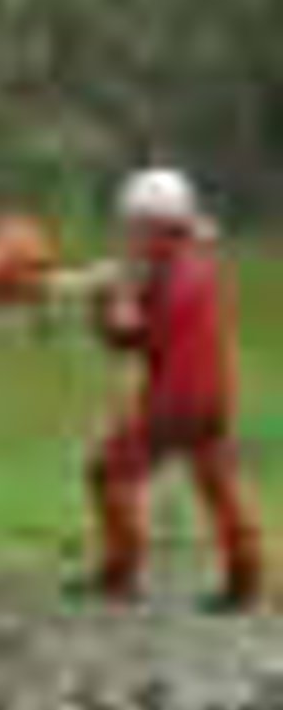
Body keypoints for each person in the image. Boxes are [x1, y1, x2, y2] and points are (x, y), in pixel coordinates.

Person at [85, 167, 265, 610]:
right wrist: (106, 302)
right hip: (210, 394)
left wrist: (113, 298)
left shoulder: (180, 274)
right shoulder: (180, 266)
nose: (129, 234)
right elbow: (128, 338)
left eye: (136, 225)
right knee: (216, 483)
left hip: (178, 399)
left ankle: (120, 573)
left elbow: (140, 335)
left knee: (107, 471)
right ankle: (246, 578)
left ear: (160, 226)